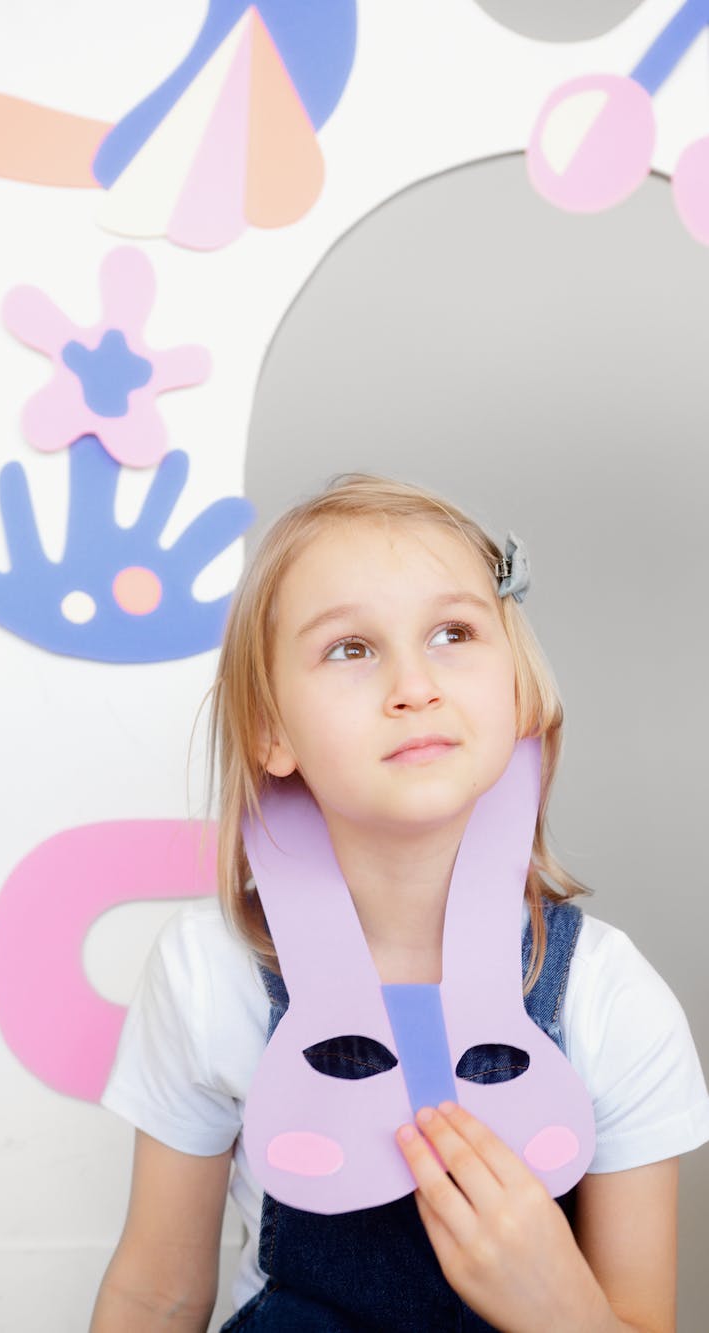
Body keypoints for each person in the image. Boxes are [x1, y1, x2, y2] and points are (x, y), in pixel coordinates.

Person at [91, 474, 709, 1332]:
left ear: (518, 689)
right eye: (351, 648)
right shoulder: (209, 976)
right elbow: (156, 1295)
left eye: (453, 632)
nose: (414, 684)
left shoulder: (609, 999)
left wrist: (560, 1306)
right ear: (272, 729)